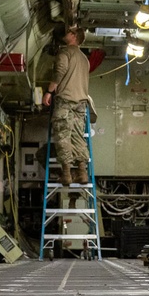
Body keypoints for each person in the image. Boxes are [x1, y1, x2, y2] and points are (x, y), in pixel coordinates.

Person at [42, 26, 91, 189]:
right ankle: (82, 171)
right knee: (78, 136)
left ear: (74, 36)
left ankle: (67, 173)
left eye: (69, 31)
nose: (66, 33)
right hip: (81, 103)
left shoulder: (65, 53)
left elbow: (60, 71)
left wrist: (49, 91)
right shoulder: (85, 59)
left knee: (62, 135)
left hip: (66, 101)